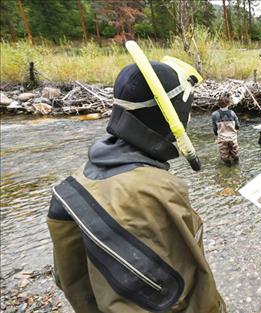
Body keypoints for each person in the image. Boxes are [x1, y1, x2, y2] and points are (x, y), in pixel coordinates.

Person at [46, 60, 226, 312]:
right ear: (172, 115)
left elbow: (70, 280)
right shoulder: (155, 191)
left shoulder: (71, 185)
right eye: (189, 109)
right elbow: (193, 289)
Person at [211, 96, 240, 166]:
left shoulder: (214, 114)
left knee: (224, 156)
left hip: (222, 138)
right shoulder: (232, 113)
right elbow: (238, 126)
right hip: (232, 138)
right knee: (235, 154)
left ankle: (228, 168)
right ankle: (236, 168)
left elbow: (214, 128)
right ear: (228, 104)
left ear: (218, 104)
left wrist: (216, 135)